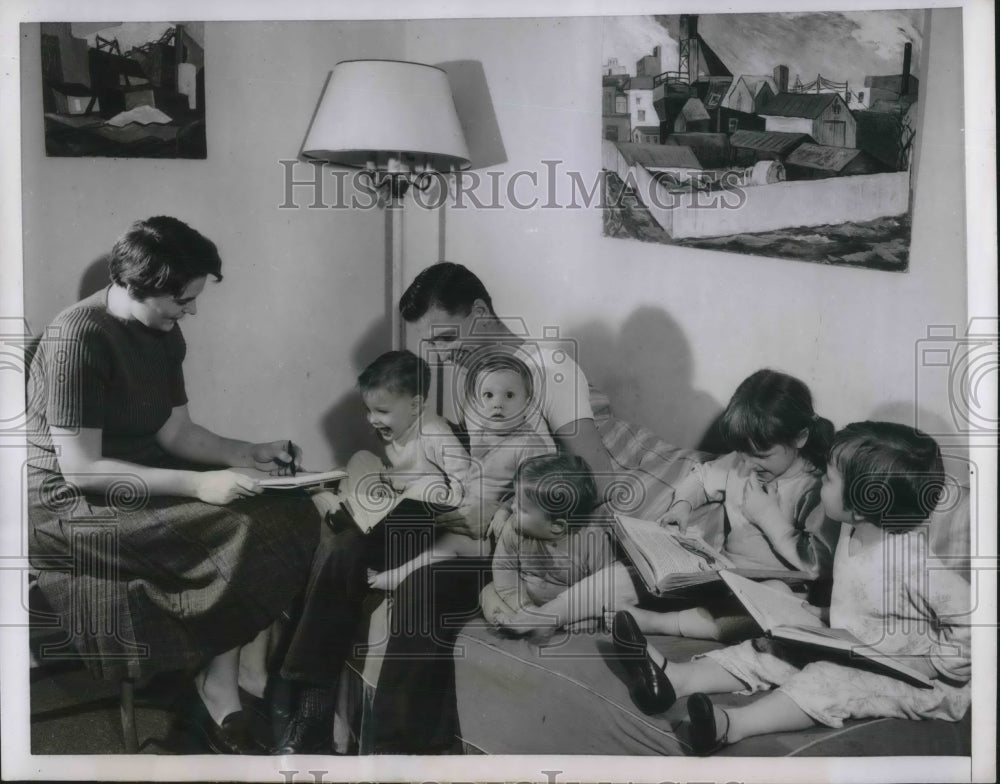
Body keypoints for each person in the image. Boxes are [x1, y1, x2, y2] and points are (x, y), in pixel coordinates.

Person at [26, 216, 320, 754]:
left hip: (136, 477)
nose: (192, 311)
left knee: (294, 508)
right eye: (182, 301)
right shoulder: (78, 336)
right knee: (241, 525)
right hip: (70, 505)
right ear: (137, 287)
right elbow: (82, 469)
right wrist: (201, 487)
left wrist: (244, 452)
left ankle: (232, 673)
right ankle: (222, 685)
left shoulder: (161, 330)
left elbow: (176, 430)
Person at [362, 262, 617, 753]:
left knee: (424, 586)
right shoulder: (478, 376)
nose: (439, 355)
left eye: (445, 337)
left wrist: (510, 514)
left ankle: (393, 759)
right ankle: (299, 701)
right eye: (431, 345)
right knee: (355, 537)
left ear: (480, 312)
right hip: (478, 521)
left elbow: (597, 478)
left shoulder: (548, 366)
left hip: (530, 539)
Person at [611, 422, 970, 754]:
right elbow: (870, 600)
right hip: (850, 640)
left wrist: (929, 664)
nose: (820, 485)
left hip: (912, 680)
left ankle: (732, 725)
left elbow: (978, 623)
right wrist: (828, 615)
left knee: (828, 679)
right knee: (774, 647)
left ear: (862, 506)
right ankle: (677, 678)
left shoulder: (913, 564)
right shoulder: (851, 528)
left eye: (828, 480)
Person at [274, 349, 471, 753]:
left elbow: (464, 485)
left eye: (381, 410)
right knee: (361, 464)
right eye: (369, 410)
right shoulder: (397, 438)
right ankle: (345, 511)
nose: (372, 420)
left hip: (422, 523)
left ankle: (310, 706)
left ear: (416, 404)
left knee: (344, 543)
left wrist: (422, 489)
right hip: (386, 521)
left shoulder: (434, 432)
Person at [623, 369, 841, 641]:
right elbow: (700, 477)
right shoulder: (743, 463)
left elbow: (817, 567)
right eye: (742, 453)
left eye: (762, 455)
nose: (748, 464)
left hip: (779, 587)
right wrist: (682, 506)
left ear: (800, 438)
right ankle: (561, 611)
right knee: (630, 571)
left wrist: (768, 516)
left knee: (774, 599)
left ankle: (660, 623)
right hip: (722, 575)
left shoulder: (817, 488)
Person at [367, 348, 554, 592]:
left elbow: (534, 494)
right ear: (477, 402)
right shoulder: (486, 437)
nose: (497, 403)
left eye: (509, 395)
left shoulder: (529, 444)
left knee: (447, 543)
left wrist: (504, 511)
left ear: (527, 402)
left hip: (498, 536)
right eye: (488, 396)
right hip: (468, 514)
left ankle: (397, 577)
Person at [481, 454, 615, 639]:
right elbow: (504, 569)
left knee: (593, 611)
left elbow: (605, 586)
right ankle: (520, 622)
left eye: (523, 508)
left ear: (557, 526)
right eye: (514, 501)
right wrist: (525, 608)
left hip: (568, 607)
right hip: (522, 597)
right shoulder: (513, 528)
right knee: (487, 593)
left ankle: (546, 624)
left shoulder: (593, 540)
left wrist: (589, 614)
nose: (512, 508)